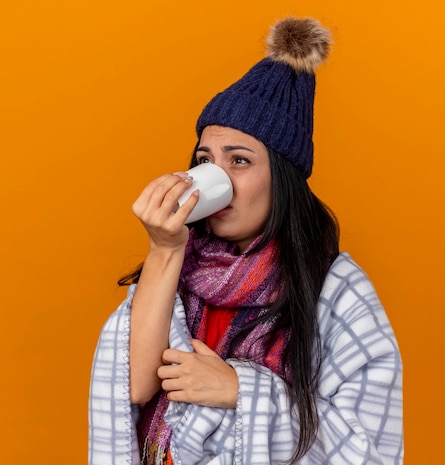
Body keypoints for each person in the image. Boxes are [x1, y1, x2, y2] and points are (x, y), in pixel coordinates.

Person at [89, 16, 404, 465]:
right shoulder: (182, 265)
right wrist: (165, 248)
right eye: (205, 159)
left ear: (281, 177)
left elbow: (366, 448)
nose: (216, 177)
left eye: (239, 160)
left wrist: (240, 390)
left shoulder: (337, 290)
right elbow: (132, 389)